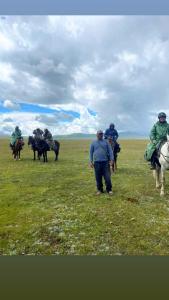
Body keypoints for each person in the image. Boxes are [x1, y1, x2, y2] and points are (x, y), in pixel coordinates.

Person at [90, 130, 114, 195]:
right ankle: (99, 190)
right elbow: (91, 152)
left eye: (101, 134)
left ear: (103, 135)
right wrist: (91, 161)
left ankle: (109, 189)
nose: (100, 135)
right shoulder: (93, 143)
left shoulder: (106, 142)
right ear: (96, 135)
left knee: (107, 177)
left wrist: (112, 159)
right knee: (98, 177)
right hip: (97, 163)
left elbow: (110, 151)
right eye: (99, 134)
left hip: (105, 162)